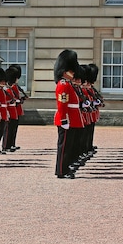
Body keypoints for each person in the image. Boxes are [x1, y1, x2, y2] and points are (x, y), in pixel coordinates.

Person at [54, 50, 83, 179]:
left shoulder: (68, 84)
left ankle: (65, 167)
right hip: (66, 119)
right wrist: (64, 120)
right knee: (64, 147)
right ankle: (61, 170)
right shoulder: (63, 85)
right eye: (71, 71)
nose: (73, 73)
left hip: (71, 118)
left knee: (68, 146)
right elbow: (62, 104)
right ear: (65, 71)